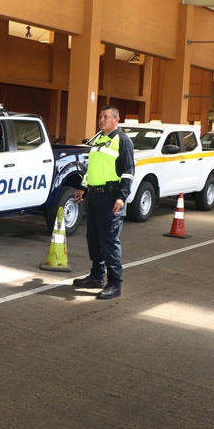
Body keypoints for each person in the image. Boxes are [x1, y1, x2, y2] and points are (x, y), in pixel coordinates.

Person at [72, 105, 135, 300]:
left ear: (117, 119)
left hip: (111, 197)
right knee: (94, 238)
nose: (101, 120)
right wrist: (83, 187)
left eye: (106, 117)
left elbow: (128, 172)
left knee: (109, 240)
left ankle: (114, 284)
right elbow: (92, 168)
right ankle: (97, 276)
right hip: (94, 196)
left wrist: (122, 197)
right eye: (100, 116)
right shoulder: (99, 139)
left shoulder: (122, 141)